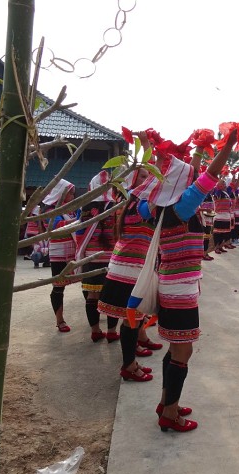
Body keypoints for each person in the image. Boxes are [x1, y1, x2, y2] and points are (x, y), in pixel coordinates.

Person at [130, 128, 238, 432]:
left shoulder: (152, 208)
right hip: (180, 291)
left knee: (175, 347)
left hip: (169, 284)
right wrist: (228, 144)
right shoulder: (183, 207)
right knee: (183, 351)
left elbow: (180, 179)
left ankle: (166, 401)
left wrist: (185, 151)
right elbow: (209, 177)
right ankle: (171, 412)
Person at [98, 151, 160, 383]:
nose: (148, 179)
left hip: (128, 268)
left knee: (132, 320)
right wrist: (149, 150)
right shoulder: (139, 208)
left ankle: (130, 362)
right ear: (134, 183)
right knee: (131, 321)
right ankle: (128, 366)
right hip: (130, 271)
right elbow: (159, 185)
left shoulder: (132, 206)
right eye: (143, 176)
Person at [75, 171, 119, 343]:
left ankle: (95, 331)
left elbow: (80, 232)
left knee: (92, 296)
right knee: (112, 298)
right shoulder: (115, 207)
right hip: (111, 259)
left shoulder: (85, 207)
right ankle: (112, 332)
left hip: (90, 258)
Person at [42, 179, 78, 332]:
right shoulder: (51, 211)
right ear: (62, 193)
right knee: (58, 286)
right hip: (59, 252)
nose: (73, 195)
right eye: (71, 192)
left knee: (87, 281)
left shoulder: (72, 209)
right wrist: (80, 220)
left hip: (75, 250)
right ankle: (60, 320)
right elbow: (56, 227)